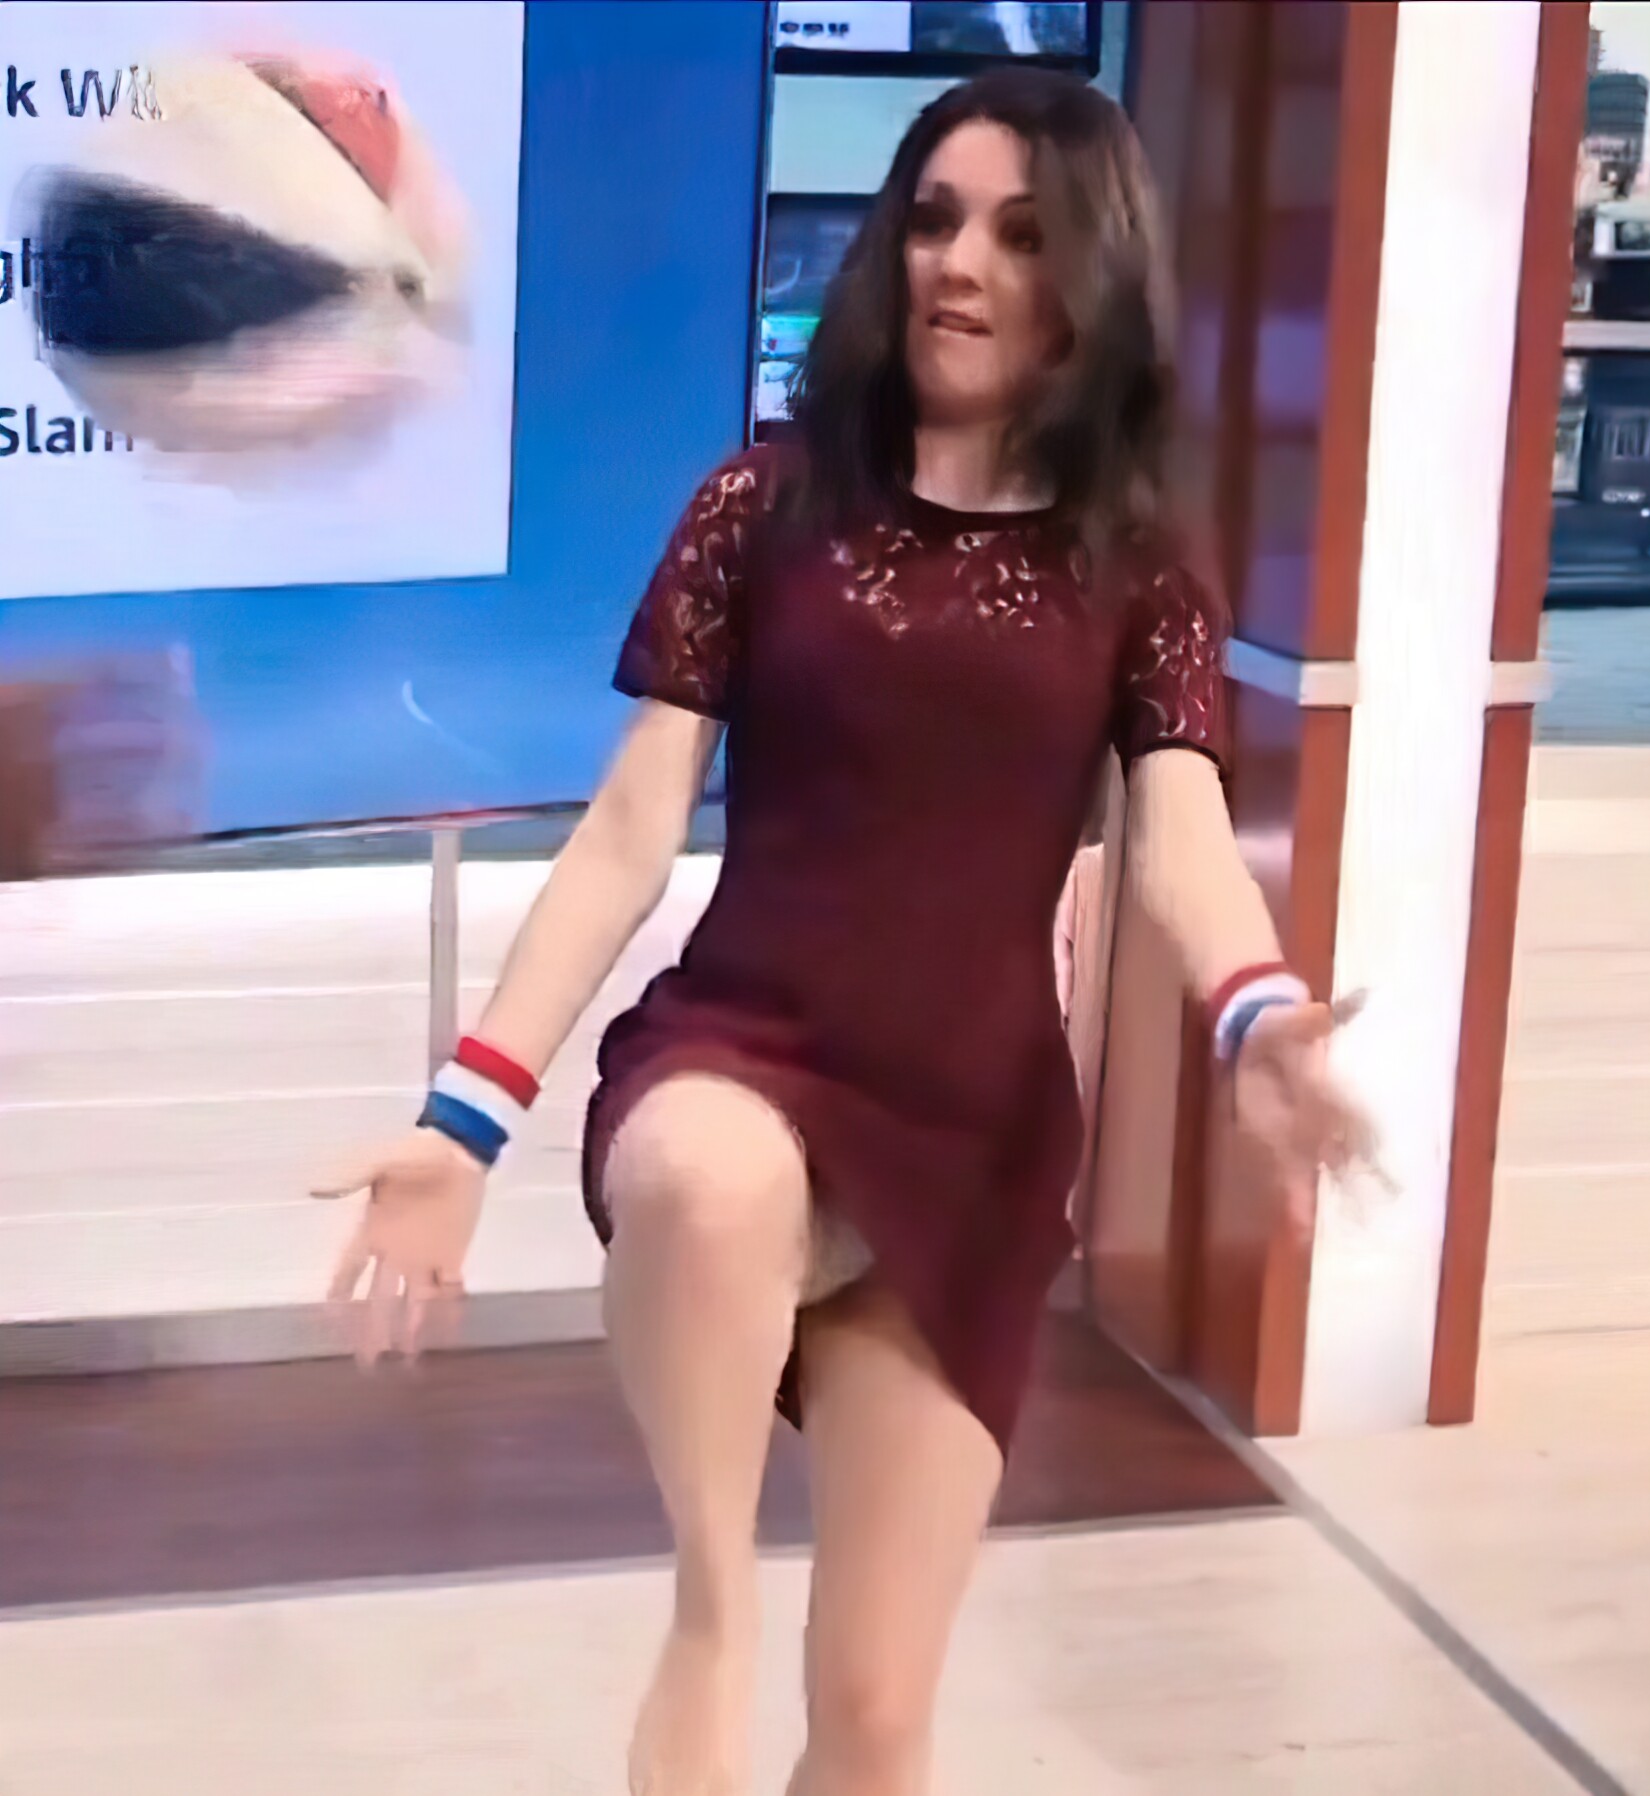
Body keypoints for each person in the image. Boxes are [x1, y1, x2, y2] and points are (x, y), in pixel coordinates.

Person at [314, 68, 1380, 1796]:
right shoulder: (761, 507)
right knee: (702, 1180)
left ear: (1092, 280)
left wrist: (1252, 1016)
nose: (960, 262)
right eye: (934, 218)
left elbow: (1180, 839)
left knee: (879, 1721)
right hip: (744, 1052)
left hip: (969, 1137)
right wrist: (464, 1118)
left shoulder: (1137, 573)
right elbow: (627, 833)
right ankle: (710, 1607)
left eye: (1020, 234)